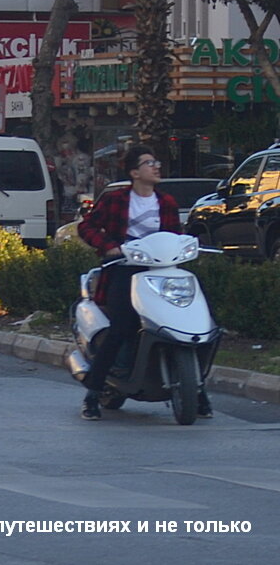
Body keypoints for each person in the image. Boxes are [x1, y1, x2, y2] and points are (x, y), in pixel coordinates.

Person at [77, 144, 211, 420]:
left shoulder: (167, 203)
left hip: (164, 273)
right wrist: (109, 247)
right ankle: (93, 393)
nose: (156, 166)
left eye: (156, 162)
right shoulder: (115, 200)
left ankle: (197, 390)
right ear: (135, 172)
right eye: (149, 163)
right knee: (121, 327)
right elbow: (86, 226)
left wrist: (187, 247)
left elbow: (176, 234)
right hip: (125, 271)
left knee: (197, 323)